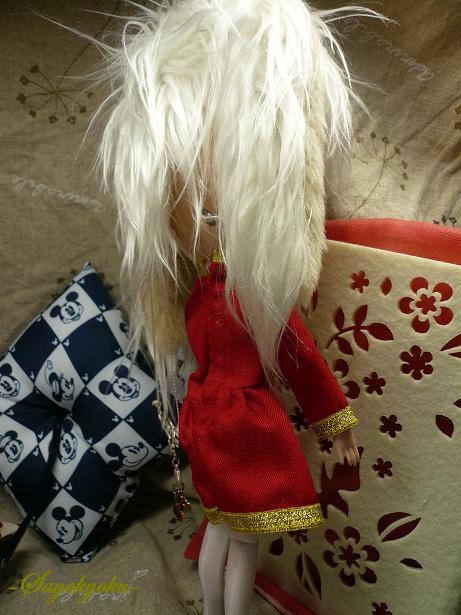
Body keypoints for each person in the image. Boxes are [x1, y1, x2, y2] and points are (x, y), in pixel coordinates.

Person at [94, 1, 377, 612]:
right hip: (243, 423)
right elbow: (300, 359)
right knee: (245, 539)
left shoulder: (201, 294)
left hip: (203, 414)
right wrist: (337, 423)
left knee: (220, 528)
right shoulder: (251, 295)